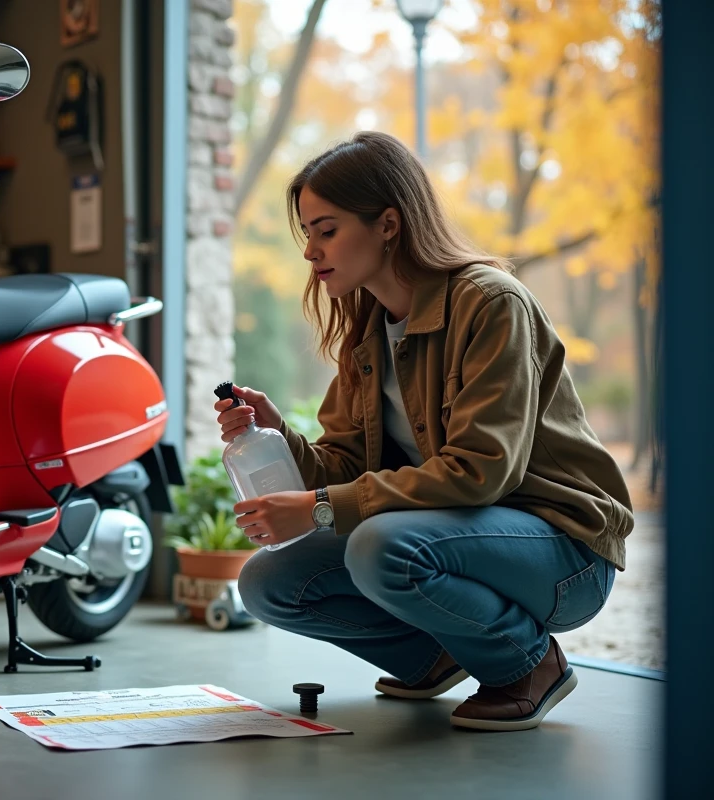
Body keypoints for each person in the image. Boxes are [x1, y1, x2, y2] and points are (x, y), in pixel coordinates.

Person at [214, 131, 633, 732]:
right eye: (306, 232)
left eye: (326, 229)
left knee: (379, 544)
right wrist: (278, 436)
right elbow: (348, 466)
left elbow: (482, 470)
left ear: (388, 224)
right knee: (270, 581)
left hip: (564, 552)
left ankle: (529, 664)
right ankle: (442, 653)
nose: (310, 251)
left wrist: (321, 507)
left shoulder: (491, 304)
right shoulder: (368, 332)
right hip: (461, 542)